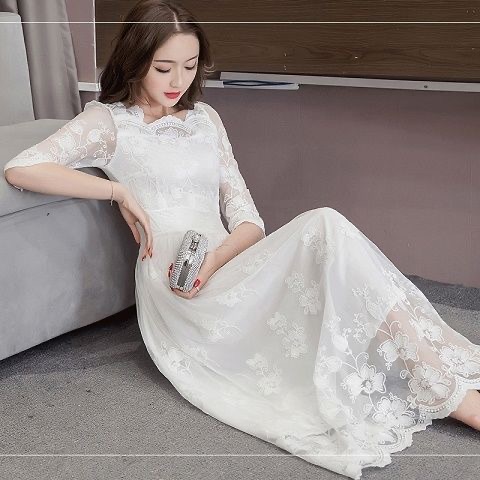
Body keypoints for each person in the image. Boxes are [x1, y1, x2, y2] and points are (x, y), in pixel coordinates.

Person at [3, 0, 480, 478]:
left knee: (327, 228)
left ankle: (441, 376)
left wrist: (216, 258)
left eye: (190, 66)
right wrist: (118, 191)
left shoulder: (205, 119)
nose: (177, 81)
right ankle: (455, 396)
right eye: (163, 67)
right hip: (179, 288)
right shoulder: (109, 123)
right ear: (135, 60)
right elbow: (22, 167)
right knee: (327, 235)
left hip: (222, 263)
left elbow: (249, 221)